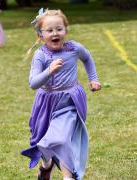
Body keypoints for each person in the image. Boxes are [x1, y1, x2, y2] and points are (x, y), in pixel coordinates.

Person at [21, 8, 101, 180]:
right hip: (46, 102)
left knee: (64, 139)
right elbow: (33, 84)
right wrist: (48, 71)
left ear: (65, 30)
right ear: (40, 35)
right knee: (41, 141)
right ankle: (47, 165)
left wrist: (93, 79)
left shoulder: (74, 48)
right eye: (49, 30)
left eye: (59, 28)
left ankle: (68, 176)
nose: (55, 33)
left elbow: (87, 58)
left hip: (69, 101)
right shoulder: (40, 55)